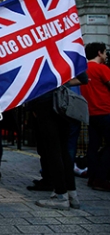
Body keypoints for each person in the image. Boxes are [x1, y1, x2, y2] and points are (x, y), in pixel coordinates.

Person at [30, 70, 88, 210]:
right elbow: (83, 78)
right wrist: (61, 83)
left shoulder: (38, 53)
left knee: (52, 152)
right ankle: (72, 194)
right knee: (63, 150)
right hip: (63, 104)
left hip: (45, 104)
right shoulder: (63, 51)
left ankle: (60, 195)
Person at [80, 42, 110, 191]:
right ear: (99, 53)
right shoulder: (102, 69)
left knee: (93, 146)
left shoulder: (84, 70)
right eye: (105, 53)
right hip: (106, 111)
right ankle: (101, 178)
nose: (105, 56)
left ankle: (92, 177)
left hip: (90, 113)